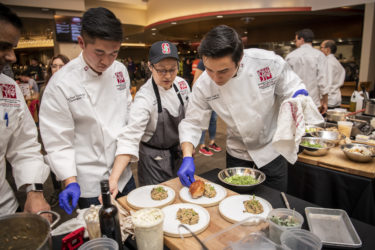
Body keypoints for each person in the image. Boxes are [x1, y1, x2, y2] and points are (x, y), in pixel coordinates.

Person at [177, 25, 308, 192]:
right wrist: (187, 156)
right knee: (237, 202)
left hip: (271, 147)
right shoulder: (203, 84)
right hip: (237, 150)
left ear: (240, 59)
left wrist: (298, 97)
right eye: (209, 69)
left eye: (223, 71)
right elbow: (192, 122)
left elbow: (293, 87)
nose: (215, 78)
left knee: (275, 199)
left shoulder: (268, 63)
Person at [39, 7, 135, 214]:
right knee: (103, 238)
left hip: (123, 173)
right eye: (99, 52)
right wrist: (69, 180)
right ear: (81, 43)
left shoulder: (120, 71)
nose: (107, 61)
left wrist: (116, 175)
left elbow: (129, 124)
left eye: (114, 53)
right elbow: (58, 141)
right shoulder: (61, 84)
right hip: (89, 183)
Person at [111, 41, 190, 190]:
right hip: (153, 160)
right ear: (150, 66)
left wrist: (188, 148)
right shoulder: (144, 98)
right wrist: (114, 179)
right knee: (157, 200)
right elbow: (130, 137)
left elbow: (190, 120)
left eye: (173, 69)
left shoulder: (182, 85)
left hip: (178, 154)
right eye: (161, 70)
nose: (168, 76)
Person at [0, 3, 50, 217]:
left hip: (6, 210)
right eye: (3, 46)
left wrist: (34, 190)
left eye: (12, 47)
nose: (11, 57)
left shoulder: (8, 88)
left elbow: (24, 146)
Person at [285, 29, 329, 114]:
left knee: (296, 126)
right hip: (313, 102)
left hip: (294, 101)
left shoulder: (290, 56)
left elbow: (285, 81)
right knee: (312, 127)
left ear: (301, 39)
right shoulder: (319, 55)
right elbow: (323, 81)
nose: (295, 42)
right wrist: (325, 101)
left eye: (296, 40)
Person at [192, 60, 222, 156]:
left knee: (213, 119)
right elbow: (196, 80)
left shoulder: (218, 62)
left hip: (214, 97)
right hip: (204, 97)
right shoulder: (202, 63)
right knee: (204, 121)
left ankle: (212, 142)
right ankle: (202, 146)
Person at [320, 40, 346, 108]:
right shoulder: (336, 62)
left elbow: (328, 82)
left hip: (329, 100)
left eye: (321, 47)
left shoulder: (328, 62)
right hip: (336, 97)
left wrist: (323, 100)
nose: (320, 50)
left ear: (327, 49)